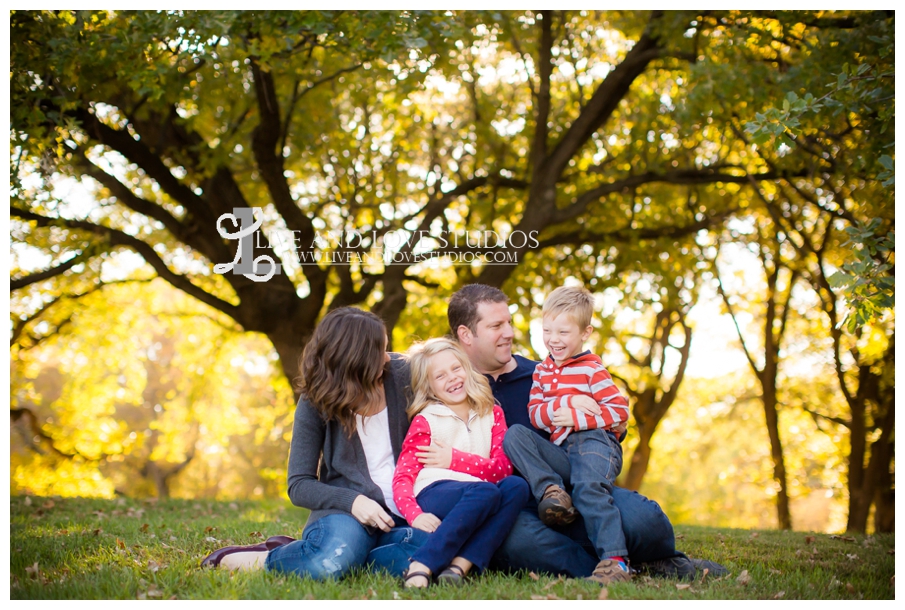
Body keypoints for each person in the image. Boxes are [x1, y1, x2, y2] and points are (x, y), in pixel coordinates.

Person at [447, 284, 728, 582]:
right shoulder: (452, 389)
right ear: (466, 335)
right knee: (516, 540)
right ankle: (626, 566)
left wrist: (588, 415)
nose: (509, 333)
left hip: (581, 487)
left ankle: (624, 558)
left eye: (509, 322)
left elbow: (614, 428)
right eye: (496, 326)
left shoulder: (546, 373)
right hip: (522, 510)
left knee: (644, 519)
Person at [200, 307, 428, 578]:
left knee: (440, 552)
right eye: (379, 351)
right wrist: (353, 500)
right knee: (327, 565)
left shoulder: (403, 374)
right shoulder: (315, 402)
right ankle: (263, 558)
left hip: (404, 512)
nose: (386, 358)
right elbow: (298, 484)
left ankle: (345, 554)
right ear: (356, 360)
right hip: (346, 516)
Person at [517, 285, 631, 584]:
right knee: (516, 435)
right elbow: (536, 415)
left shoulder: (594, 371)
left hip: (596, 444)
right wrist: (566, 403)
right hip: (563, 450)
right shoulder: (541, 371)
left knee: (590, 490)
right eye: (547, 330)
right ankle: (552, 492)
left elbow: (619, 412)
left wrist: (580, 419)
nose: (553, 340)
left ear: (585, 332)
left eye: (563, 332)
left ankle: (615, 562)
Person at [392, 338, 529, 587]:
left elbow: (502, 469)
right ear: (430, 387)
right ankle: (420, 566)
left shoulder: (492, 413)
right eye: (440, 375)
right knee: (486, 491)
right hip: (434, 491)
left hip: (481, 492)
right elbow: (403, 476)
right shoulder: (426, 420)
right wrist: (414, 515)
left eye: (456, 368)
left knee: (516, 486)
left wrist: (454, 459)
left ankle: (458, 567)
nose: (452, 378)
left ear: (467, 368)